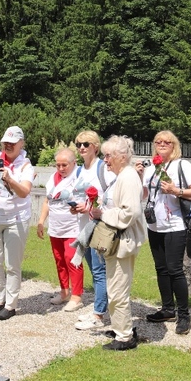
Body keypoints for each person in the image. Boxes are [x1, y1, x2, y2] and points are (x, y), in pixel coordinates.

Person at [138, 130, 191, 335]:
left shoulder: (182, 165)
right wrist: (140, 177)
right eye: (158, 141)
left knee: (175, 270)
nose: (162, 144)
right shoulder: (151, 167)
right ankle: (167, 309)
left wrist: (176, 191)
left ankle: (184, 315)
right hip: (154, 225)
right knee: (161, 269)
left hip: (175, 224)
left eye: (167, 142)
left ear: (174, 145)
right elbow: (145, 194)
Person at [91, 135, 146, 351]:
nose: (105, 160)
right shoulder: (124, 175)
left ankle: (125, 337)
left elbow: (129, 213)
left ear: (122, 157)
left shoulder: (128, 177)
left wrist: (103, 213)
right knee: (115, 286)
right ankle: (120, 327)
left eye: (108, 156)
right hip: (120, 241)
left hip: (124, 241)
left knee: (117, 290)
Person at [0, 126, 35, 321]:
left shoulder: (25, 166)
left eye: (12, 143)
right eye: (5, 143)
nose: (8, 146)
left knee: (12, 264)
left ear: (21, 144)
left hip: (16, 219)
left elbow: (24, 192)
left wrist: (10, 179)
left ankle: (10, 304)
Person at [71, 130, 115, 331]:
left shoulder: (102, 168)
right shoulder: (80, 170)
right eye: (79, 143)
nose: (81, 147)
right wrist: (76, 206)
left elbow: (110, 198)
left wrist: (90, 208)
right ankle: (102, 309)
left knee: (99, 272)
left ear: (95, 147)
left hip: (99, 227)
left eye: (86, 144)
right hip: (84, 227)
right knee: (94, 270)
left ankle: (98, 314)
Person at [37, 148, 84, 312]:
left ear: (74, 163)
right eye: (58, 165)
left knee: (72, 259)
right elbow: (47, 201)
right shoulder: (52, 178)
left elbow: (86, 200)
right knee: (59, 260)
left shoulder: (79, 177)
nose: (61, 168)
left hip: (73, 226)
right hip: (56, 226)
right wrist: (41, 221)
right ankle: (64, 291)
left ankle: (77, 296)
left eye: (65, 165)